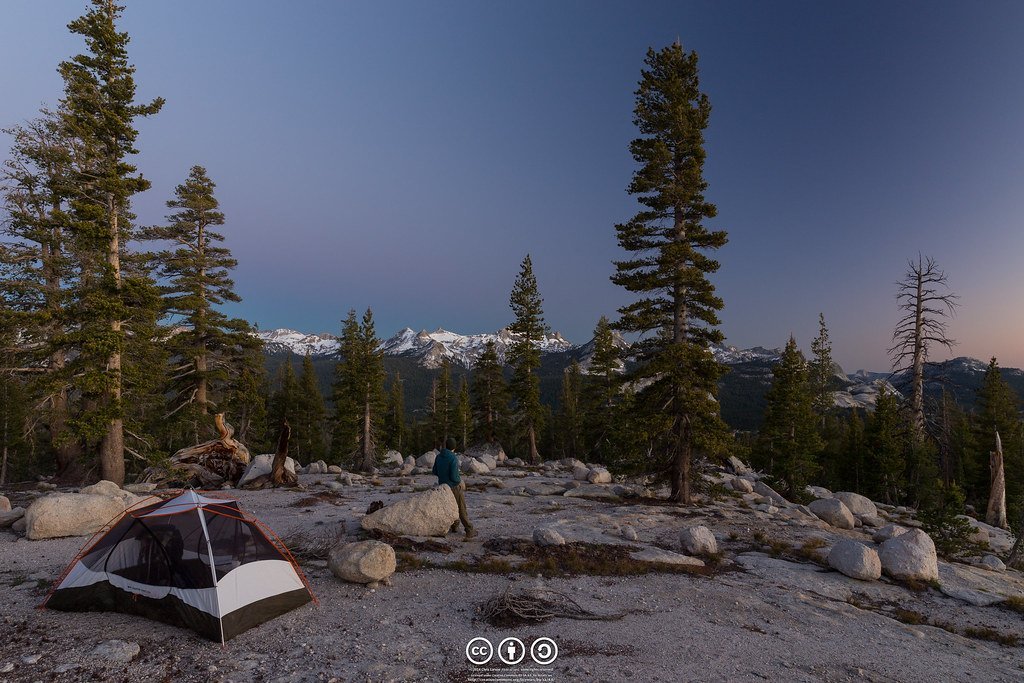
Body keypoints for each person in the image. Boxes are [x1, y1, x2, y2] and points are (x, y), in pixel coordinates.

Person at [432, 437, 476, 539]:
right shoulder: (453, 458)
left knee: (449, 507)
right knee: (461, 508)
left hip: (442, 487)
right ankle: (469, 530)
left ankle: (454, 526)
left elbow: (434, 471)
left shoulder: (438, 457)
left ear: (446, 446)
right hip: (453, 486)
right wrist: (459, 481)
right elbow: (454, 477)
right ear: (454, 447)